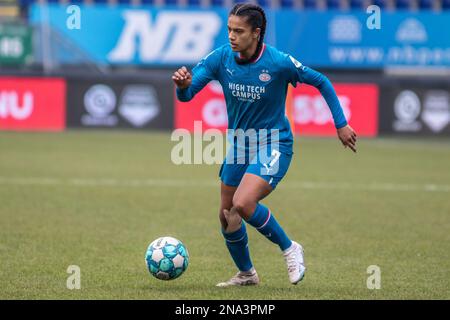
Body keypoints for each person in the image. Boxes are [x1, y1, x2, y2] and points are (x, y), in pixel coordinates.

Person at [172, 3, 357, 287]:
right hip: (241, 145)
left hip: (275, 142)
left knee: (244, 203)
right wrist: (183, 86)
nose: (231, 36)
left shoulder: (278, 62)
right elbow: (187, 96)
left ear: (256, 33)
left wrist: (340, 123)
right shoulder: (221, 58)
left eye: (239, 31)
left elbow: (320, 81)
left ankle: (290, 247)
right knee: (227, 215)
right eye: (229, 30)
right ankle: (247, 274)